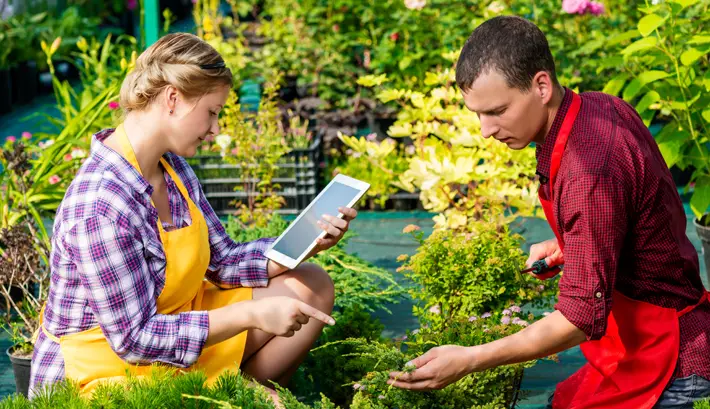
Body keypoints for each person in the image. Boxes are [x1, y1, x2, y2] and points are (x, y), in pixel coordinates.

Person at [388, 15, 710, 408]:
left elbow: (579, 317)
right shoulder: (599, 106)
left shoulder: (588, 170)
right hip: (640, 331)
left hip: (667, 355)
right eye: (477, 113)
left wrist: (470, 359)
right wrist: (570, 243)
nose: (485, 130)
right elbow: (635, 212)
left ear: (541, 85)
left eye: (497, 110)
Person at [29, 33, 358, 401]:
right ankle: (237, 396)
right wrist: (252, 314)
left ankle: (240, 389)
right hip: (107, 369)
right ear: (173, 99)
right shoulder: (101, 205)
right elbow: (134, 340)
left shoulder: (173, 170)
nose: (216, 129)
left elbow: (223, 261)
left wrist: (305, 241)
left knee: (310, 284)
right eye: (212, 112)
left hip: (175, 329)